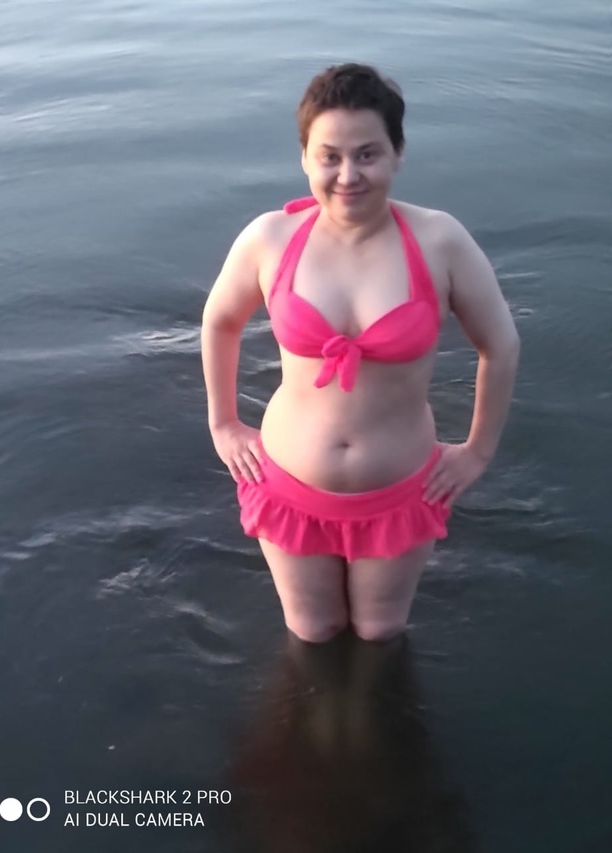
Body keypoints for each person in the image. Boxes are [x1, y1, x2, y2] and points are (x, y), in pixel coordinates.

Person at [201, 62, 520, 645]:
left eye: (367, 154)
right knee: (311, 631)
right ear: (304, 157)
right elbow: (220, 321)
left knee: (380, 632)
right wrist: (223, 424)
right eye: (330, 156)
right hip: (288, 482)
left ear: (398, 153)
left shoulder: (441, 241)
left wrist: (477, 452)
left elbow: (499, 345)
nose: (348, 175)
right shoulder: (269, 239)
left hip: (400, 489)